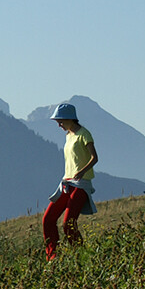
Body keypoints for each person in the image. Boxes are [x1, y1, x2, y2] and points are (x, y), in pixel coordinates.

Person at [42, 103, 99, 261]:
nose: (59, 125)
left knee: (68, 224)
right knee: (48, 219)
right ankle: (53, 258)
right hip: (67, 183)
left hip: (81, 184)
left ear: (69, 118)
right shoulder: (68, 136)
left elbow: (95, 158)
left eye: (60, 121)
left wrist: (81, 172)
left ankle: (82, 257)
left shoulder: (84, 134)